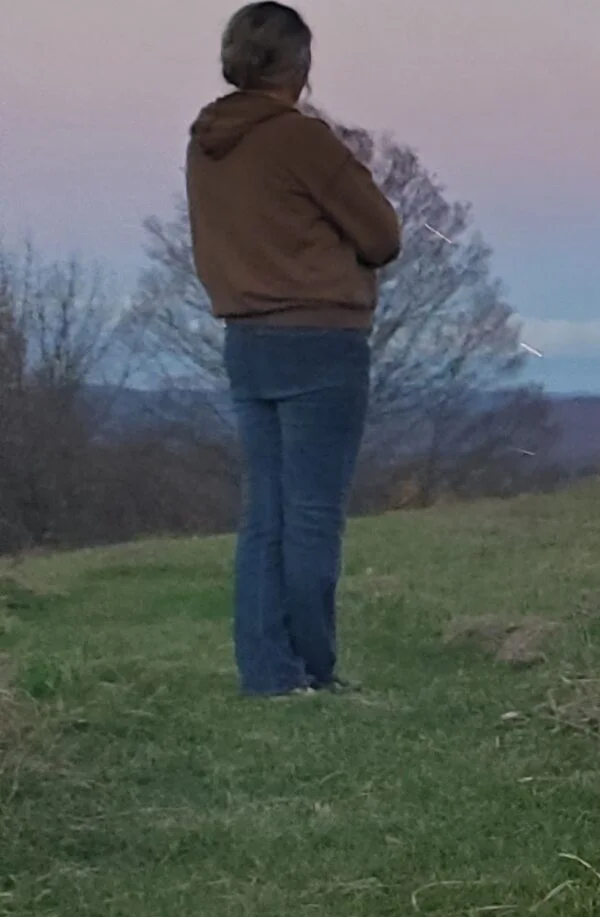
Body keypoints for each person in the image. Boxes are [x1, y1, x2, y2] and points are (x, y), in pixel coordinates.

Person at [189, 2, 400, 696]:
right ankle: (314, 666)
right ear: (300, 66)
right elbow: (382, 236)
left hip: (245, 340)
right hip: (320, 341)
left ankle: (267, 671)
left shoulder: (206, 142)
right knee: (312, 514)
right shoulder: (303, 142)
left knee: (266, 513)